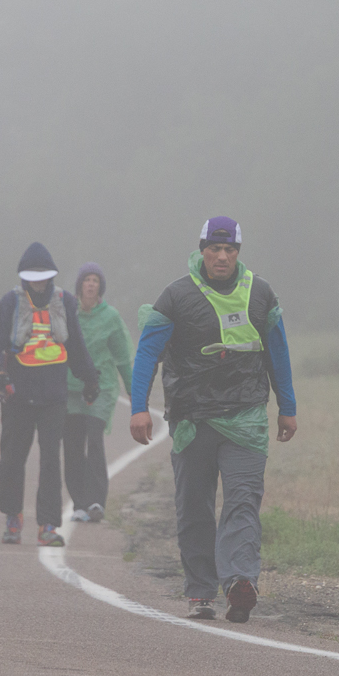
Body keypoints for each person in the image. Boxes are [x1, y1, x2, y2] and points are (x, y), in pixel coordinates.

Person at [128, 217, 297, 622]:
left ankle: (240, 582)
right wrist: (138, 407)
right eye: (214, 250)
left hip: (247, 419)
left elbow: (278, 351)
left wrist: (287, 405)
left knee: (242, 503)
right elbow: (148, 352)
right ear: (202, 249)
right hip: (193, 421)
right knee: (194, 507)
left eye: (230, 250)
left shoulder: (260, 293)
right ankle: (201, 592)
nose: (222, 257)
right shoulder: (176, 296)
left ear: (239, 252)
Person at [0, 242, 100, 546]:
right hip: (16, 396)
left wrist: (89, 380)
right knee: (10, 460)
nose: (38, 281)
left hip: (53, 397)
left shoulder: (64, 303)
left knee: (50, 461)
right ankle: (12, 517)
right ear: (24, 276)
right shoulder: (10, 303)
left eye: (43, 275)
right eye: (33, 276)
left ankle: (47, 526)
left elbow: (75, 347)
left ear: (51, 276)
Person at [63, 262, 133, 524]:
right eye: (86, 280)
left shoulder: (110, 317)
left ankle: (95, 502)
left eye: (95, 280)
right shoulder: (69, 313)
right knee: (71, 445)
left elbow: (123, 357)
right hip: (70, 388)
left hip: (101, 388)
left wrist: (133, 391)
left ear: (100, 286)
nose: (91, 284)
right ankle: (79, 504)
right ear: (79, 285)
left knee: (94, 439)